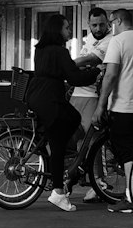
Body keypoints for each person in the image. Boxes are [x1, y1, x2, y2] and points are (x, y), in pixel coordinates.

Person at [25, 12, 97, 213]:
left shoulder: (41, 49)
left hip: (37, 95)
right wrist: (96, 72)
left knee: (68, 124)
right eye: (66, 28)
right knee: (62, 138)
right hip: (51, 99)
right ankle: (58, 190)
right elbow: (74, 78)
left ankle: (59, 156)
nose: (69, 31)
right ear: (58, 30)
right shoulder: (60, 51)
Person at [90, 7, 133, 212]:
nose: (110, 27)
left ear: (118, 21)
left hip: (124, 106)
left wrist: (101, 105)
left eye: (111, 23)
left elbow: (110, 76)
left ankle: (130, 199)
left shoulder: (117, 42)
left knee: (126, 153)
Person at [70, 6, 110, 132]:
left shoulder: (111, 39)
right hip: (77, 93)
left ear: (108, 22)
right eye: (94, 25)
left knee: (91, 141)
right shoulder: (90, 38)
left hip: (93, 95)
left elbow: (90, 59)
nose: (98, 29)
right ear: (88, 24)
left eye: (102, 25)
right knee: (72, 137)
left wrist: (66, 65)